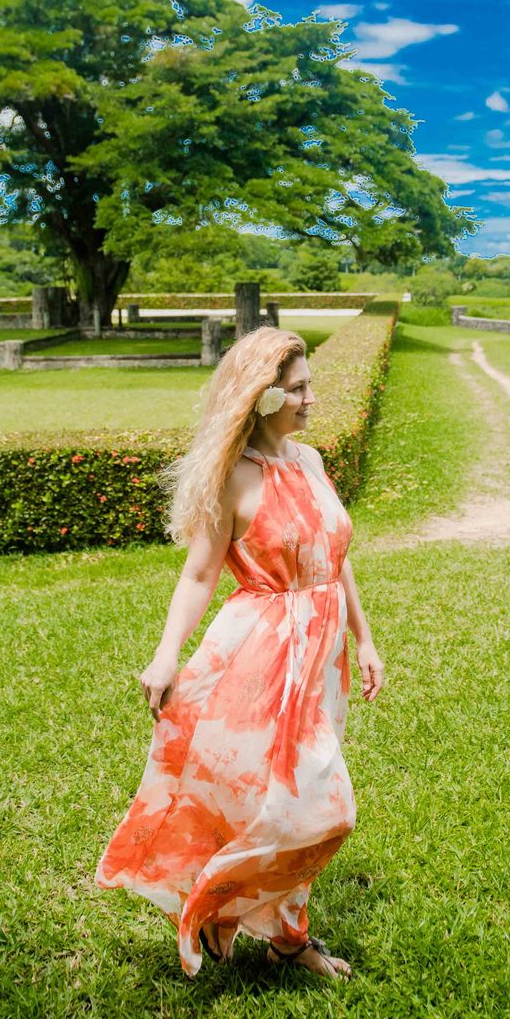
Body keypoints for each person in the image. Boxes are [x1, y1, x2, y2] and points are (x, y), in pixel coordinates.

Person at [95, 325, 383, 981]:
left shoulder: (309, 462)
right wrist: (167, 657)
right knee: (320, 807)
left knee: (286, 799)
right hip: (261, 651)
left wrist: (365, 639)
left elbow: (334, 560)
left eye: (310, 384)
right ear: (260, 398)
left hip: (321, 656)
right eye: (298, 388)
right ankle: (217, 902)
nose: (312, 397)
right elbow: (199, 576)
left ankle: (282, 934)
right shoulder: (233, 480)